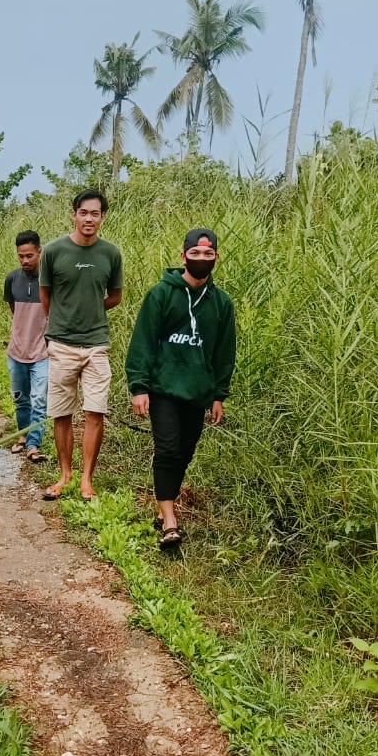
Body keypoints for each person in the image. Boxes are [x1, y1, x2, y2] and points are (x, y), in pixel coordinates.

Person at [125, 228, 236, 551]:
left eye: (208, 254)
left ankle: (164, 504)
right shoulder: (161, 294)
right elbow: (143, 341)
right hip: (163, 388)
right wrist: (139, 386)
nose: (201, 259)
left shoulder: (221, 303)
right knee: (169, 450)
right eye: (196, 254)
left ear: (215, 257)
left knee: (185, 452)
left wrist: (218, 395)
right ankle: (170, 521)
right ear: (184, 255)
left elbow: (224, 351)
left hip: (197, 391)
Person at [39, 189, 123, 500]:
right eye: (83, 212)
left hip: (97, 344)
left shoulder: (110, 253)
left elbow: (115, 296)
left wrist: (91, 309)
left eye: (95, 213)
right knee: (61, 412)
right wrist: (59, 323)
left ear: (103, 217)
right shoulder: (53, 251)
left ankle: (87, 479)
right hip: (61, 343)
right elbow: (45, 294)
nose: (89, 218)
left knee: (94, 410)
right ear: (74, 214)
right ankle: (65, 475)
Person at [3, 230, 48, 462]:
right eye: (21, 256)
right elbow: (15, 311)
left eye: (29, 255)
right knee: (21, 397)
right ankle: (23, 436)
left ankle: (33, 444)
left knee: (39, 399)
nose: (25, 261)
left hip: (42, 352)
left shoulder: (50, 280)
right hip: (17, 350)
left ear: (39, 252)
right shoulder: (12, 279)